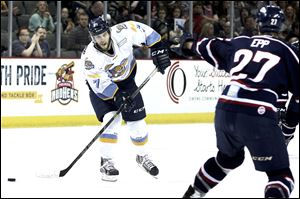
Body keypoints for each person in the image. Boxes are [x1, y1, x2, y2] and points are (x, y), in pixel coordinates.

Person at [170, 5, 299, 198]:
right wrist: (288, 129)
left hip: (225, 108)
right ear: (281, 26)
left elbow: (197, 46)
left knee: (227, 160)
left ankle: (193, 194)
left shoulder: (239, 42)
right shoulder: (288, 51)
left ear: (258, 24)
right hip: (258, 114)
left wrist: (186, 42)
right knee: (280, 175)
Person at [80, 17, 171, 182]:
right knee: (111, 120)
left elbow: (146, 33)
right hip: (102, 91)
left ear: (108, 31)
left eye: (103, 34)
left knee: (138, 125)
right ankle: (106, 162)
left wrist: (158, 49)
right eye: (97, 36)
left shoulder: (124, 31)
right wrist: (116, 95)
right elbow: (98, 83)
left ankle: (142, 157)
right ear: (92, 38)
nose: (101, 39)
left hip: (127, 83)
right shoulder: (89, 57)